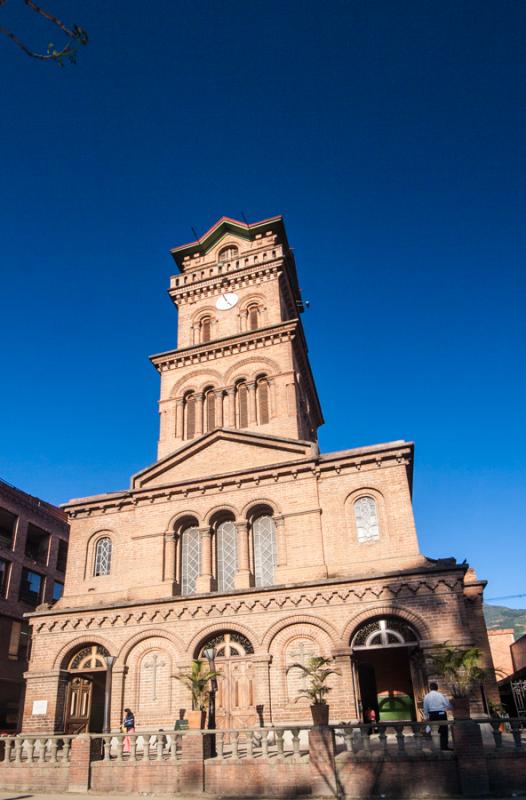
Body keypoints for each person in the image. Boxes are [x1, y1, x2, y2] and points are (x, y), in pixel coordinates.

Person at [423, 682, 451, 750]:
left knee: (434, 731)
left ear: (430, 688)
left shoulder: (427, 696)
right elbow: (447, 705)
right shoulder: (440, 695)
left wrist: (426, 716)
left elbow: (425, 707)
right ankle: (444, 746)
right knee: (443, 730)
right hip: (441, 714)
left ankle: (436, 746)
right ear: (437, 688)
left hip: (432, 714)